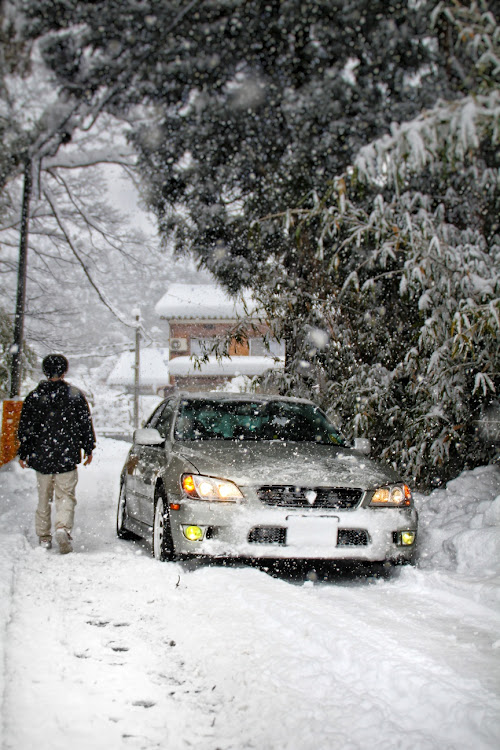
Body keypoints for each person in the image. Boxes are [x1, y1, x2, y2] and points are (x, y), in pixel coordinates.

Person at [17, 354, 96, 554]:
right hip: (67, 456)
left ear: (45, 371)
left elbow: (25, 427)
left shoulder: (34, 397)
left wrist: (24, 452)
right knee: (66, 496)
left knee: (43, 497)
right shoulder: (75, 396)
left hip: (41, 456)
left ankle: (44, 536)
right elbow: (85, 424)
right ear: (64, 371)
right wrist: (88, 447)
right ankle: (62, 527)